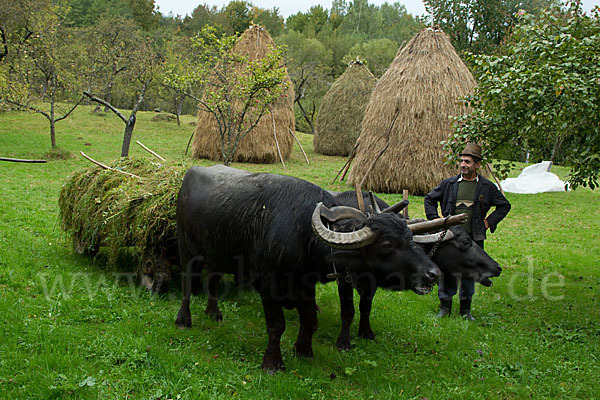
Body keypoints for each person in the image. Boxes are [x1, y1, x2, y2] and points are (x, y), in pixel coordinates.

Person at [424, 143, 511, 320]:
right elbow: (429, 199)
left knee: (470, 273)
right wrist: (435, 220)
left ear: (477, 165)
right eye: (462, 161)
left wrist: (488, 222)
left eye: (468, 162)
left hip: (473, 238)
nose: (464, 165)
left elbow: (504, 205)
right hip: (450, 238)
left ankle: (465, 310)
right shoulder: (449, 184)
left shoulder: (487, 187)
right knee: (447, 272)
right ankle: (445, 307)